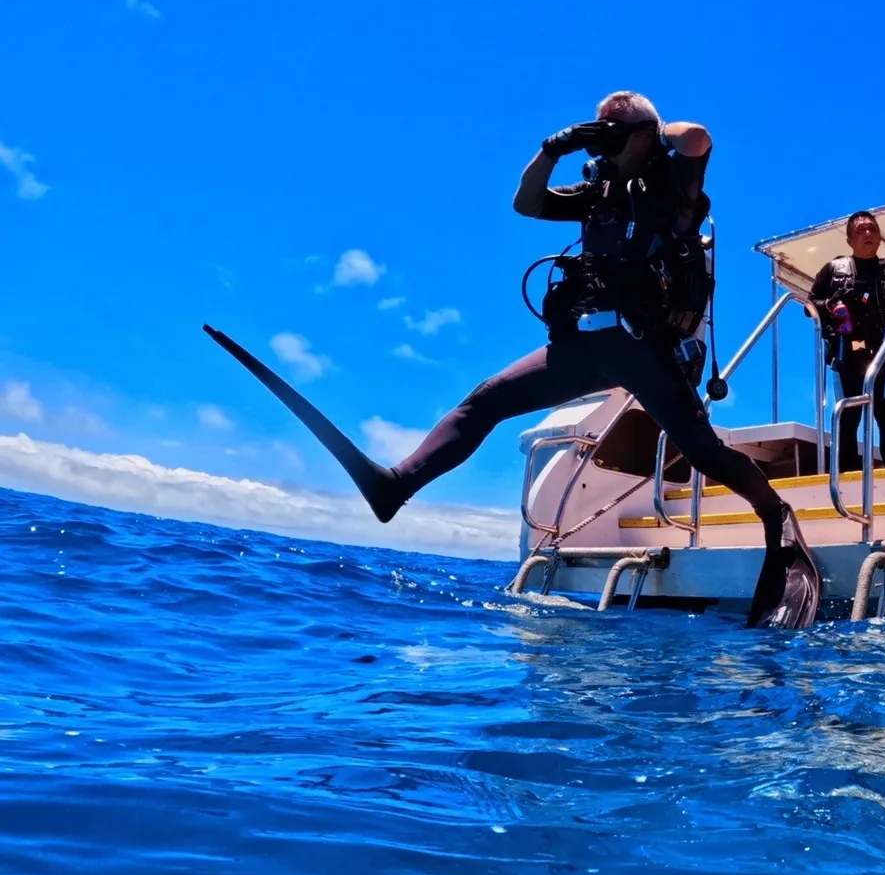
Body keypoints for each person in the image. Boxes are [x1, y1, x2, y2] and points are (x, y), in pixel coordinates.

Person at [205, 91, 818, 627]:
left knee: (704, 451)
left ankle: (774, 516)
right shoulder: (596, 192)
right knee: (486, 401)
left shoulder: (669, 186)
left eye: (611, 128)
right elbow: (528, 203)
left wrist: (643, 128)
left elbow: (699, 137)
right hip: (580, 342)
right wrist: (553, 149)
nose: (598, 136)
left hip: (645, 347)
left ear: (639, 134)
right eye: (594, 126)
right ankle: (396, 486)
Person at [809, 210, 885, 472]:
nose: (867, 233)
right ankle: (848, 483)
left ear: (879, 237)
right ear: (849, 240)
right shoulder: (833, 269)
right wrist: (831, 304)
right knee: (847, 416)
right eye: (860, 230)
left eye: (872, 229)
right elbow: (808, 306)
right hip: (845, 354)